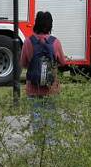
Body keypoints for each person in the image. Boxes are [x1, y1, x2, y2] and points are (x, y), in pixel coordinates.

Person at [20, 11, 66, 141]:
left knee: (36, 118)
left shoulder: (28, 42)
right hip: (51, 88)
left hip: (33, 89)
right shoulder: (55, 42)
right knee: (51, 118)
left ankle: (39, 146)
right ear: (50, 24)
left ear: (36, 23)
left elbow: (23, 63)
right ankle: (50, 146)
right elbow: (63, 62)